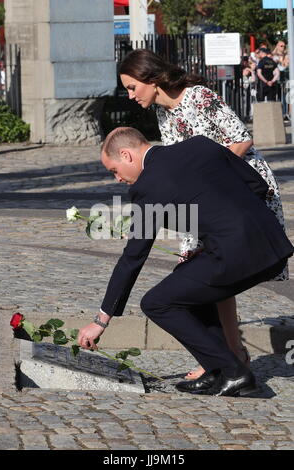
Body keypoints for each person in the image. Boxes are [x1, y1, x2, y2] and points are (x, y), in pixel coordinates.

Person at [77, 127, 293, 397]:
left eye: (114, 170)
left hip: (237, 253)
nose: (118, 178)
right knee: (187, 281)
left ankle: (235, 372)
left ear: (126, 154)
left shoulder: (149, 186)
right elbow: (257, 185)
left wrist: (101, 320)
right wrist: (212, 239)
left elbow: (133, 257)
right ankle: (217, 371)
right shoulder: (200, 146)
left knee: (157, 302)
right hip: (270, 242)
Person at [118, 48, 288, 381]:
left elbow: (240, 140)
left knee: (215, 274)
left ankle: (227, 357)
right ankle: (229, 355)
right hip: (204, 198)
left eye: (132, 87)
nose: (130, 95)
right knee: (200, 271)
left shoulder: (198, 96)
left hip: (241, 189)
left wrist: (208, 182)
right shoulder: (164, 115)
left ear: (150, 79)